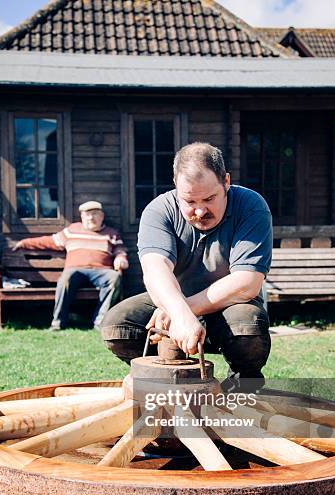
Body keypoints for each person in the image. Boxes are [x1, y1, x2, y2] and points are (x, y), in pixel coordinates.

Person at [101, 142, 272, 389]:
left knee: (249, 326)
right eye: (190, 201)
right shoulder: (159, 210)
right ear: (175, 184)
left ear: (226, 182)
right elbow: (155, 270)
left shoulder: (251, 206)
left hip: (230, 303)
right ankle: (166, 378)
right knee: (117, 325)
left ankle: (241, 387)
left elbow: (247, 283)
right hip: (175, 297)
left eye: (210, 198)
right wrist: (178, 311)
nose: (200, 211)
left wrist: (181, 312)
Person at [14, 201, 128, 330]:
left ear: (102, 216)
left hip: (101, 271)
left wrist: (121, 258)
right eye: (88, 214)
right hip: (75, 270)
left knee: (114, 277)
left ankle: (100, 321)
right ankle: (58, 322)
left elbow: (120, 250)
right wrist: (24, 243)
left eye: (95, 214)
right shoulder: (72, 231)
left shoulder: (111, 233)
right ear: (82, 217)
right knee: (64, 279)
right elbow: (48, 241)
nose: (91, 217)